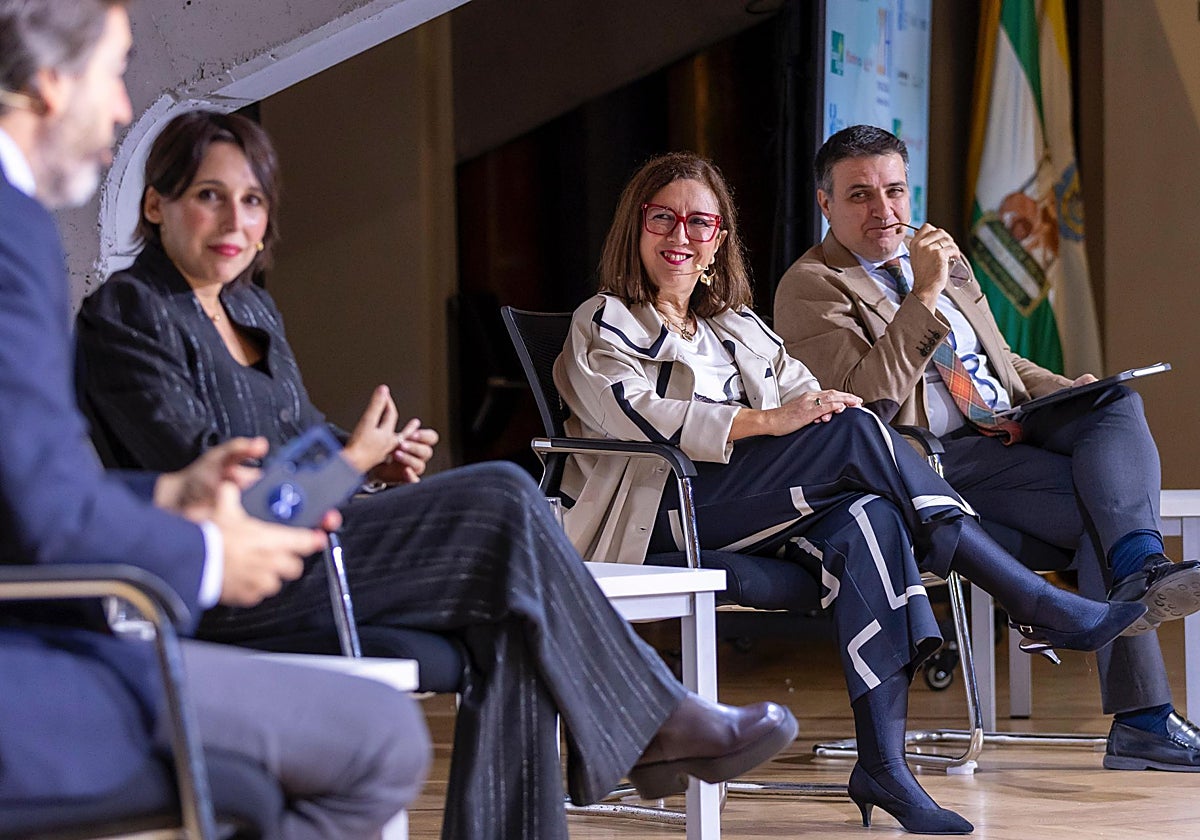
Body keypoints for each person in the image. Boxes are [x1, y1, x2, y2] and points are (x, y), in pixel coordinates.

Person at [75, 108, 800, 840]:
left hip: (316, 550)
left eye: (253, 200)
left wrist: (369, 459)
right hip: (231, 581)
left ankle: (650, 730)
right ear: (155, 204)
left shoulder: (248, 305)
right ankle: (654, 718)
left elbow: (300, 440)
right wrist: (348, 463)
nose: (236, 219)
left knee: (511, 615)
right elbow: (212, 484)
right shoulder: (129, 312)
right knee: (502, 495)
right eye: (210, 196)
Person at [552, 151, 1149, 834]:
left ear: (719, 240)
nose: (681, 236)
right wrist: (769, 422)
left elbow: (805, 392)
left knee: (869, 515)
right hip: (661, 509)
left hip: (749, 508)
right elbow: (637, 417)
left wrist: (820, 408)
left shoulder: (734, 325)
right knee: (860, 434)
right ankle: (1029, 598)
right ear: (635, 228)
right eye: (663, 218)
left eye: (700, 222)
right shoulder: (605, 320)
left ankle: (883, 765)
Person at [0, 2, 430, 836]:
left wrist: (168, 494)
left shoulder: (256, 312)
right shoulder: (82, 279)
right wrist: (204, 549)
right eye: (113, 74)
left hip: (130, 587)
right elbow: (45, 510)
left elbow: (29, 482)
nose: (121, 109)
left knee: (500, 535)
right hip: (55, 638)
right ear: (51, 83)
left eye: (253, 202)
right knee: (382, 739)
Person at [773, 124, 1200, 772]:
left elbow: (999, 362)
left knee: (1115, 403)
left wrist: (1065, 391)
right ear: (825, 203)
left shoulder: (941, 255)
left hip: (1010, 426)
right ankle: (1143, 721)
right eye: (860, 195)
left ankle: (1141, 566)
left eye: (894, 190)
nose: (884, 210)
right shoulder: (812, 285)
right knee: (1104, 509)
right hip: (932, 459)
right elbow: (864, 405)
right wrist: (924, 294)